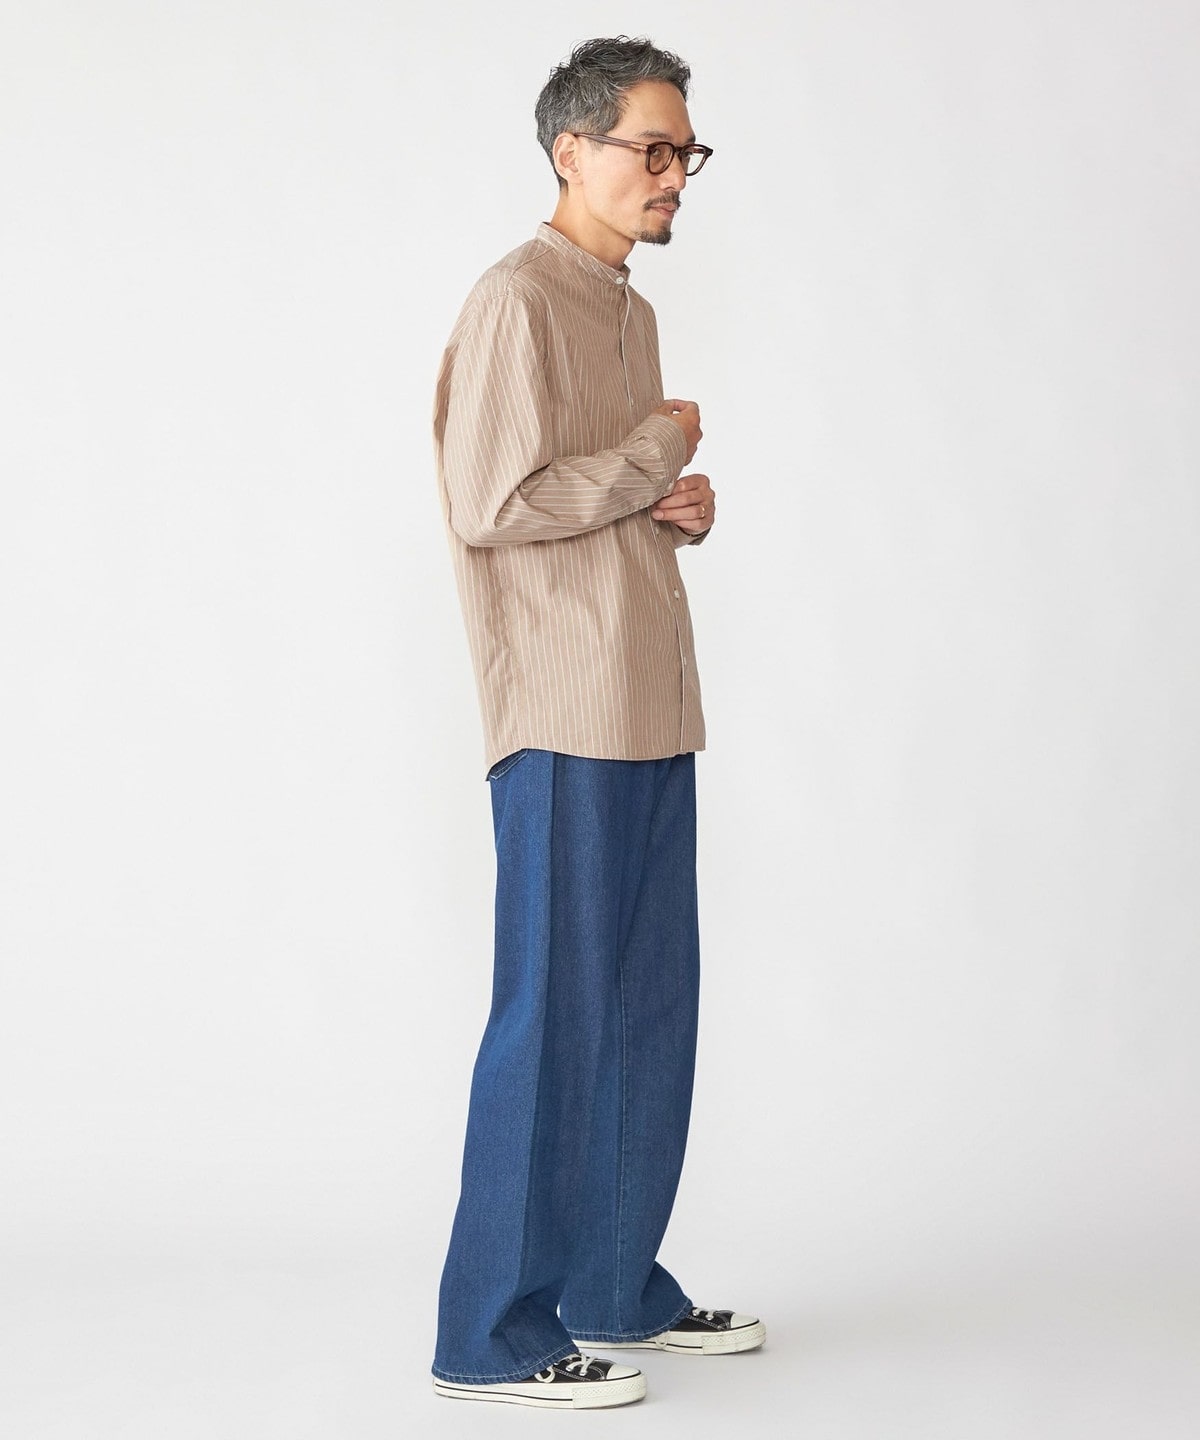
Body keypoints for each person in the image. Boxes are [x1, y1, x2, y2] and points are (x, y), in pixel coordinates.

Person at [430, 36, 763, 1410]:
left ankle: (614, 1285)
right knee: (554, 1016)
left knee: (647, 1008)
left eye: (687, 151)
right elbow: (490, 503)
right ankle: (488, 1335)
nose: (674, 174)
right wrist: (654, 454)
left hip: (649, 700)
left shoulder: (629, 311)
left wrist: (673, 509)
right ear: (572, 152)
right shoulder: (517, 300)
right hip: (564, 714)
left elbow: (594, 496)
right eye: (652, 148)